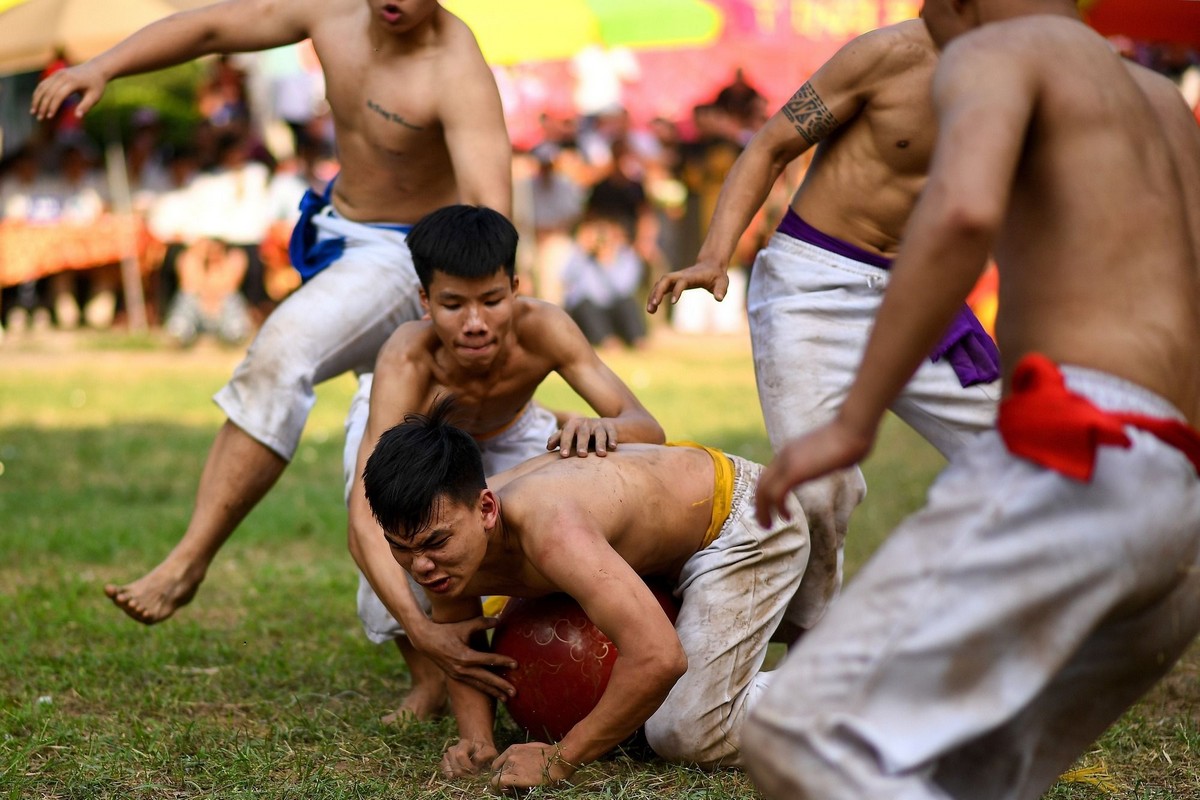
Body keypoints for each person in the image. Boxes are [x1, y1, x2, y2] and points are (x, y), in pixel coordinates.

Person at [745, 2, 1200, 798]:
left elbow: (960, 215)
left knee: (797, 732)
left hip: (1075, 447)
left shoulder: (996, 52)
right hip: (1173, 490)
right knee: (979, 775)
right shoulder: (1153, 96)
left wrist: (854, 423)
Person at [30, 0, 512, 682]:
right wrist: (103, 65)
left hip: (419, 258)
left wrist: (470, 313)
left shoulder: (454, 67)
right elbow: (209, 27)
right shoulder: (329, 10)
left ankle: (188, 562)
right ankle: (420, 666)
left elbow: (491, 217)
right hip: (340, 235)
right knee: (372, 451)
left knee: (294, 359)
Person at [646, 18, 1001, 636]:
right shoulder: (886, 55)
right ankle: (813, 644)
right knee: (817, 493)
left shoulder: (1026, 73)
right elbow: (769, 146)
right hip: (812, 281)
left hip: (920, 289)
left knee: (1022, 449)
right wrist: (714, 254)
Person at [360, 397, 810, 790]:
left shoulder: (551, 529)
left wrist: (561, 758)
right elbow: (463, 640)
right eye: (402, 548)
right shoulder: (447, 543)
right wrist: (476, 739)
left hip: (744, 519)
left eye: (435, 544)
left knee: (686, 732)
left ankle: (839, 689)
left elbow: (658, 657)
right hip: (664, 549)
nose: (420, 565)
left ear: (487, 509)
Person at [345, 204, 665, 721]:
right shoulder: (407, 358)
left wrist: (605, 426)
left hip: (514, 426)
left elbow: (645, 427)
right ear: (425, 301)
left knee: (540, 532)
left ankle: (531, 653)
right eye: (453, 305)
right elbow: (365, 517)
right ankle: (427, 677)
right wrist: (425, 633)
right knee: (405, 521)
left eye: (492, 300)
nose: (475, 323)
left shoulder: (546, 328)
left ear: (516, 288)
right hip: (417, 435)